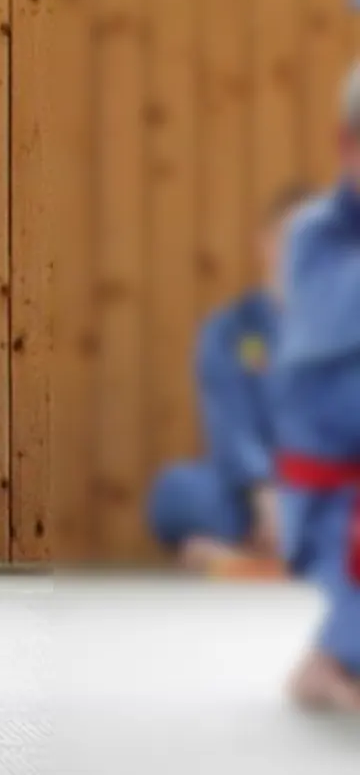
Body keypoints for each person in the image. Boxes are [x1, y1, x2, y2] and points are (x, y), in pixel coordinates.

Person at [148, 186, 314, 576]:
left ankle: (238, 551)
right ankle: (270, 543)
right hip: (251, 496)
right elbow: (230, 422)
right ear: (265, 244)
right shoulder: (230, 329)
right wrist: (263, 492)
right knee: (174, 490)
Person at [268, 59, 360, 711]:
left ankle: (333, 655)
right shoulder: (313, 237)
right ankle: (334, 656)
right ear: (346, 148)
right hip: (330, 494)